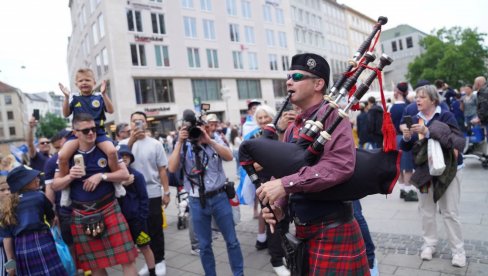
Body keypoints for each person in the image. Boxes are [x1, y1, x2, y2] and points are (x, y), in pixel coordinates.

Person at [259, 53, 369, 274]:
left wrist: (284, 185)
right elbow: (286, 174)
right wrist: (279, 207)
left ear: (318, 84)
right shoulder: (292, 128)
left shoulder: (335, 118)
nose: (289, 81)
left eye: (297, 76)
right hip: (303, 233)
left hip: (334, 232)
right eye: (288, 76)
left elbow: (340, 166)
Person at [52, 113, 137, 275]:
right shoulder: (67, 157)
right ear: (75, 133)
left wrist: (102, 176)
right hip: (81, 214)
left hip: (109, 208)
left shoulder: (105, 150)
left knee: (128, 259)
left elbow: (125, 175)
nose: (91, 133)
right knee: (96, 265)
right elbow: (55, 185)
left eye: (93, 129)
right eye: (85, 131)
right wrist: (70, 176)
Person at [168, 109, 244, 276]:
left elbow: (229, 157)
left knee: (232, 241)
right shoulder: (183, 144)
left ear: (206, 127)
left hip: (220, 197)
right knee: (204, 245)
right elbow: (172, 168)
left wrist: (209, 140)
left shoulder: (213, 139)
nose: (198, 131)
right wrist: (179, 142)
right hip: (196, 201)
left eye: (202, 127)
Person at [401, 85, 467, 267]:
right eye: (416, 98)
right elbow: (406, 148)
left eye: (422, 97)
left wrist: (428, 132)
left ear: (433, 100)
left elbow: (457, 141)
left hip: (449, 170)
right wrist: (406, 137)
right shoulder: (414, 119)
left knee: (450, 212)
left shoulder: (445, 116)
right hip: (424, 172)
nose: (418, 100)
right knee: (427, 211)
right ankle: (429, 244)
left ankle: (458, 251)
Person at [58, 68, 125, 206]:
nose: (84, 83)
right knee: (63, 155)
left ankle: (116, 183)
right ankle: (66, 189)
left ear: (94, 82)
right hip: (79, 134)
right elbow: (65, 114)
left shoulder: (99, 97)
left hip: (98, 132)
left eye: (87, 80)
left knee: (112, 151)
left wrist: (105, 94)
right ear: (76, 84)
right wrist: (65, 97)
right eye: (81, 81)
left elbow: (111, 110)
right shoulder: (74, 98)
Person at [119, 111, 170, 276]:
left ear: (146, 123)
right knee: (138, 229)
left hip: (152, 191)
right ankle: (149, 263)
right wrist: (132, 140)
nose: (138, 124)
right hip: (129, 193)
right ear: (130, 124)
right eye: (134, 121)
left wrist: (166, 191)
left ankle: (160, 260)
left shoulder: (155, 144)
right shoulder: (122, 144)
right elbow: (118, 164)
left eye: (141, 121)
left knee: (155, 227)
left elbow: (162, 169)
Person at [0, 165, 67, 275]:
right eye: (33, 178)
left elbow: (7, 239)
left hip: (21, 248)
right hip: (43, 241)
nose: (37, 179)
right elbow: (52, 218)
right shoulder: (39, 196)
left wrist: (11, 266)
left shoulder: (7, 205)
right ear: (24, 182)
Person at [252, 104, 291, 276]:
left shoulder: (279, 133)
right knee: (273, 221)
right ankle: (276, 260)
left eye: (265, 116)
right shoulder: (254, 137)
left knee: (285, 218)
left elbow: (289, 153)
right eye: (259, 118)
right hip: (266, 184)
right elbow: (253, 165)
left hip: (284, 181)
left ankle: (285, 251)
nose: (263, 120)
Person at [117, 144, 157, 276]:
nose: (124, 158)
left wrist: (142, 217)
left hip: (137, 220)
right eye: (121, 156)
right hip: (121, 220)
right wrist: (121, 184)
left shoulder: (137, 176)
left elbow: (144, 198)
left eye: (127, 155)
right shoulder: (115, 178)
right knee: (127, 251)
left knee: (145, 247)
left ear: (131, 158)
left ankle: (152, 272)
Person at [389, 82, 417, 201]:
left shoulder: (392, 107)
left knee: (399, 166)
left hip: (395, 138)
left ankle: (401, 189)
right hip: (405, 137)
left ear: (398, 92)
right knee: (408, 167)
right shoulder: (408, 107)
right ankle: (407, 190)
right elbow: (410, 126)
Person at [0, 175, 10, 276]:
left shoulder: (14, 207)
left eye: (9, 189)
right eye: (2, 190)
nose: (7, 192)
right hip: (2, 252)